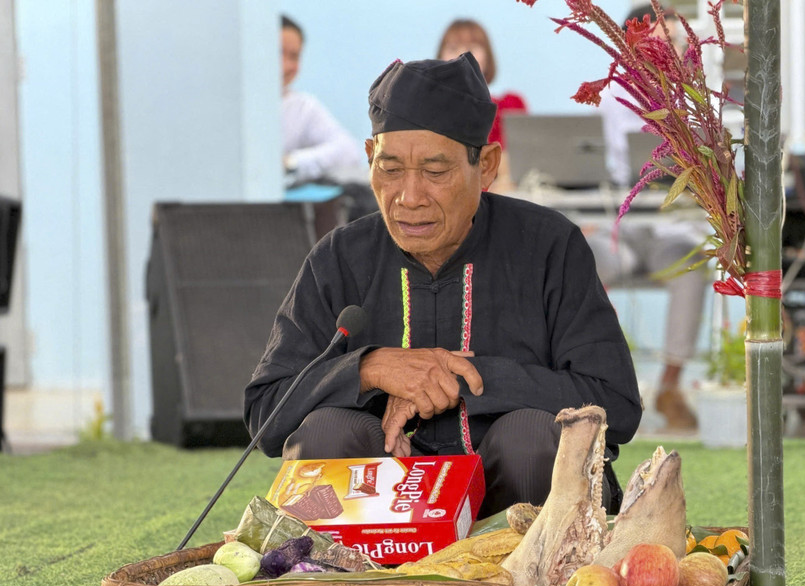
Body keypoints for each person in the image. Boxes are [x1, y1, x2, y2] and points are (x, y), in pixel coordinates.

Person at [244, 53, 642, 518]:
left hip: (517, 519)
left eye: (435, 172)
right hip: (383, 518)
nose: (409, 197)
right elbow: (266, 412)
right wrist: (368, 368)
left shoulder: (548, 246)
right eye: (390, 169)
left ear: (486, 166)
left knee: (530, 441)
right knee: (326, 435)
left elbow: (615, 403)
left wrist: (467, 378)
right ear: (370, 157)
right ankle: (348, 571)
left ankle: (526, 572)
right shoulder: (340, 257)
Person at [590, 3, 711, 430]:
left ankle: (669, 387)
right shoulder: (607, 98)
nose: (668, 52)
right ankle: (600, 378)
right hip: (618, 228)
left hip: (671, 230)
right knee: (581, 261)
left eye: (674, 43)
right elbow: (590, 165)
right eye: (659, 43)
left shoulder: (697, 102)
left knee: (692, 268)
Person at [436, 19, 527, 189]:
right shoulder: (428, 110)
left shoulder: (510, 105)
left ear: (487, 57)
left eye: (471, 49)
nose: (462, 56)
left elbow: (519, 166)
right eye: (453, 48)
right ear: (440, 58)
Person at [281, 15, 362, 186]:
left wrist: (291, 163)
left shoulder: (302, 107)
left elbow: (348, 152)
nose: (285, 65)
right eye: (278, 53)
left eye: (294, 56)